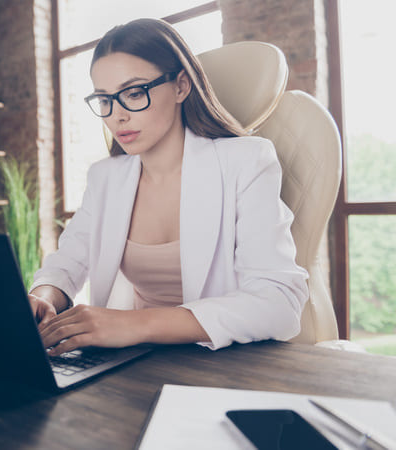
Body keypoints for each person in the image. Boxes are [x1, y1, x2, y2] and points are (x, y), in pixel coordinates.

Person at [28, 18, 308, 356]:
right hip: (135, 361)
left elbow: (279, 303)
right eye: (104, 100)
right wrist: (43, 296)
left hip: (224, 360)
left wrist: (131, 324)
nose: (117, 115)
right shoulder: (106, 177)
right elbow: (67, 263)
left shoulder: (246, 161)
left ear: (181, 86)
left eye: (133, 93)